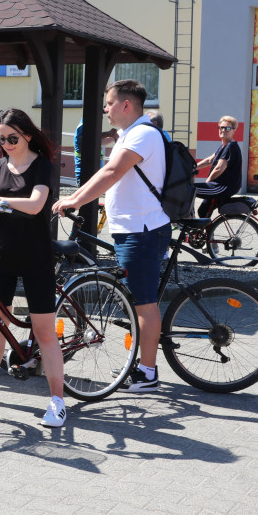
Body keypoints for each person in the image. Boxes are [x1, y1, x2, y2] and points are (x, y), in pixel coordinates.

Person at [54, 79, 170, 393]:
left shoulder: (143, 134)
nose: (105, 109)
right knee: (139, 299)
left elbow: (111, 172)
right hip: (133, 229)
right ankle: (142, 364)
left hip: (142, 231)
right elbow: (115, 179)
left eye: (108, 103)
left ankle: (148, 373)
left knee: (145, 304)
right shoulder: (129, 135)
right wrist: (75, 197)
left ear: (126, 105)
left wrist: (74, 200)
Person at [0, 109, 66, 427]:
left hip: (36, 257)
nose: (5, 143)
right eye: (0, 138)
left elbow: (35, 206)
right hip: (2, 255)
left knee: (45, 333)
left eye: (11, 138)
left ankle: (57, 401)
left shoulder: (42, 165)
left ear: (28, 136)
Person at [194, 115, 243, 218]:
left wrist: (207, 182)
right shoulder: (223, 146)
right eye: (221, 127)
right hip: (220, 185)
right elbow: (209, 160)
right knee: (203, 210)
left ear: (233, 131)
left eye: (228, 128)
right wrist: (191, 168)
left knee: (188, 190)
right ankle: (206, 233)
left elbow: (218, 169)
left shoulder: (230, 146)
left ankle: (188, 219)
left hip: (223, 186)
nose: (224, 130)